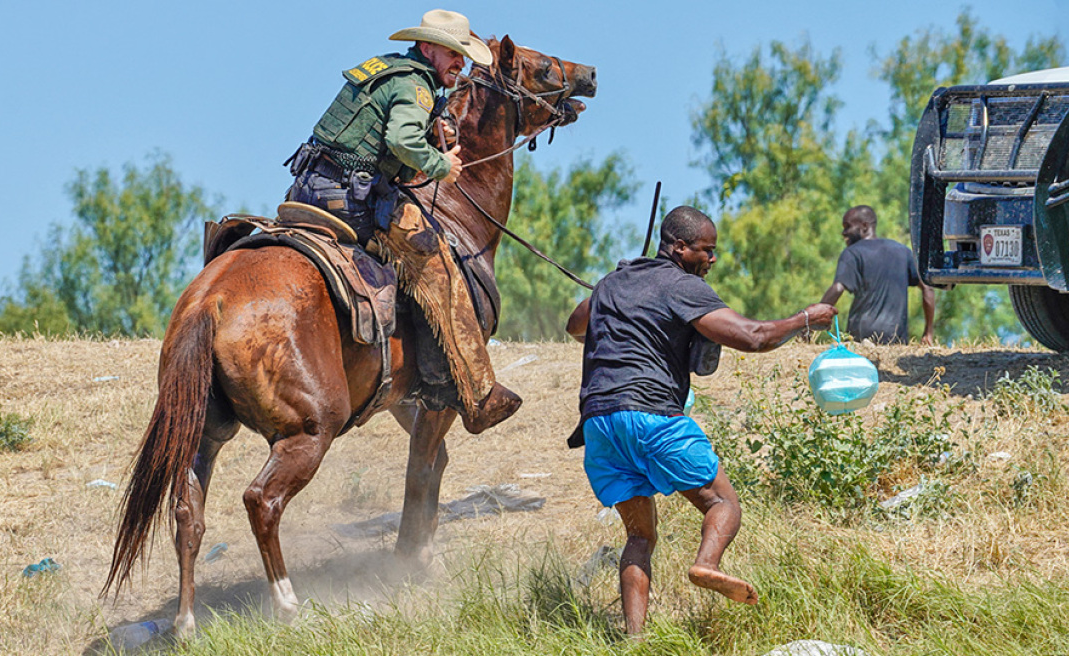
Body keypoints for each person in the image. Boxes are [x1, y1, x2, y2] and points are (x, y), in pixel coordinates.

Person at [565, 206, 837, 634]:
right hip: (652, 415)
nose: (712, 259)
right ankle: (706, 564)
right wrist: (805, 319)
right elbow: (753, 336)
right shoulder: (682, 286)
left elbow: (575, 324)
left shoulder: (613, 282)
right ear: (678, 247)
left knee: (639, 537)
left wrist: (615, 288)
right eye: (706, 250)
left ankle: (634, 639)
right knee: (722, 503)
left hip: (599, 425)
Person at [283, 9, 520, 433]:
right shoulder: (417, 86)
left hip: (307, 189)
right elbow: (401, 139)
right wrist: (441, 164)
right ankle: (478, 393)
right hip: (353, 201)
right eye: (453, 53)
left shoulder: (387, 71)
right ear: (427, 48)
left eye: (463, 57)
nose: (460, 64)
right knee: (440, 266)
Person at [820, 205, 935, 345]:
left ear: (864, 226)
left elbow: (838, 288)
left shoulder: (853, 253)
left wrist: (811, 320)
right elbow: (927, 287)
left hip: (861, 336)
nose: (844, 233)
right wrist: (928, 332)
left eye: (847, 226)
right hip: (896, 339)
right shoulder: (903, 252)